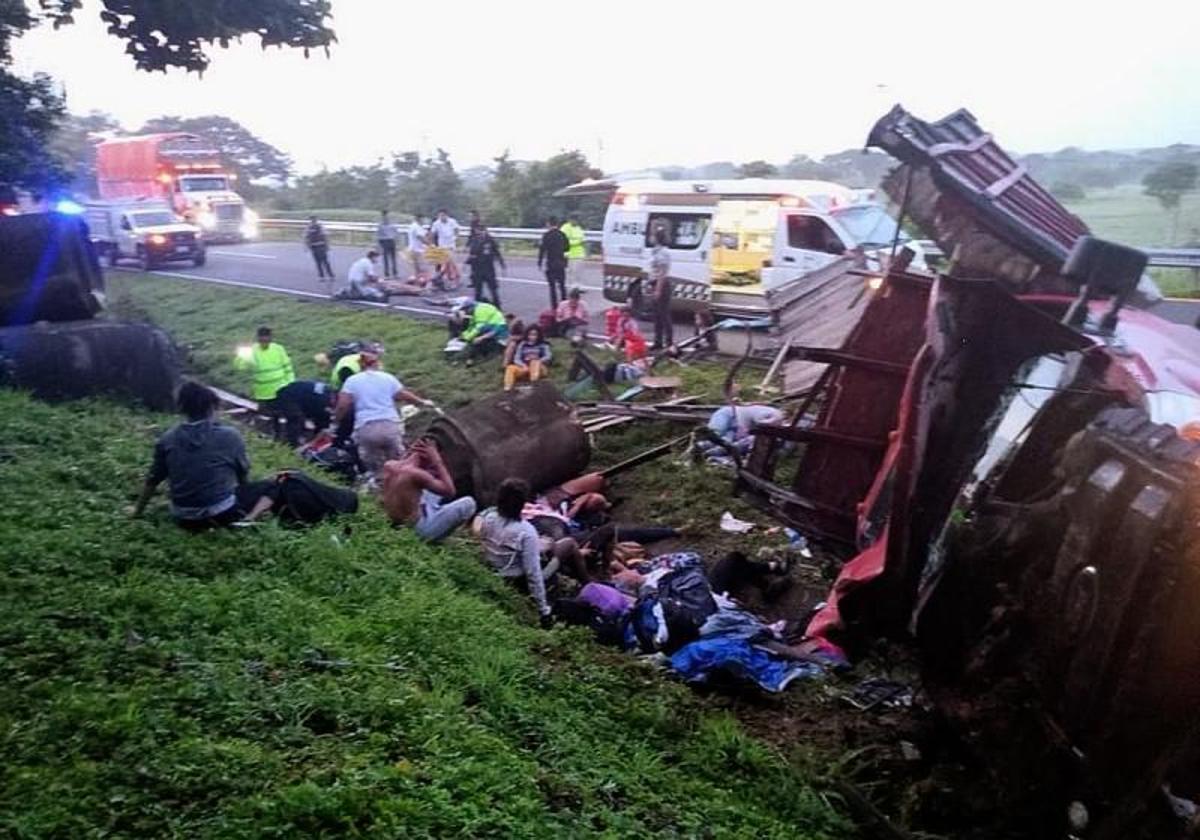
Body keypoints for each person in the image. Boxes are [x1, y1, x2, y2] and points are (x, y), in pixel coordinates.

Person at [130, 382, 272, 529]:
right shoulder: (230, 435)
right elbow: (242, 473)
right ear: (211, 408)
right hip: (222, 513)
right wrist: (244, 490)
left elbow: (153, 479)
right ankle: (248, 519)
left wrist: (137, 511)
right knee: (272, 485)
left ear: (183, 408)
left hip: (183, 517)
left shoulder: (168, 438)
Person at [473, 478, 558, 626]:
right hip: (514, 578)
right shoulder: (526, 531)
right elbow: (532, 573)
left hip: (492, 568)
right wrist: (543, 610)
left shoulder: (489, 518)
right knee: (563, 549)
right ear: (522, 503)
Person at [334, 350, 433, 477]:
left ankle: (381, 486)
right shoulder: (388, 377)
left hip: (366, 429)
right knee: (401, 464)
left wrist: (335, 422)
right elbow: (403, 395)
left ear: (361, 365)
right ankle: (404, 485)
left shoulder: (352, 381)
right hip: (389, 426)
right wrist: (422, 402)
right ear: (377, 363)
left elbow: (342, 405)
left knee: (376, 469)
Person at [380, 438, 477, 542]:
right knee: (469, 503)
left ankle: (435, 512)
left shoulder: (389, 465)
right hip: (416, 530)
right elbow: (450, 491)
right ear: (428, 456)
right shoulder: (416, 474)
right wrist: (437, 461)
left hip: (395, 521)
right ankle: (438, 538)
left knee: (431, 489)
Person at [233, 326, 295, 439]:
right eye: (262, 340)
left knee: (282, 415)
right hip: (263, 392)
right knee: (266, 415)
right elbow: (240, 367)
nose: (265, 343)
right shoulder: (251, 351)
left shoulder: (278, 349)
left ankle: (281, 437)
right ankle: (266, 436)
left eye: (267, 340)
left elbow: (288, 367)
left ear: (271, 338)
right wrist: (241, 356)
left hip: (281, 389)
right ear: (258, 339)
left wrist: (290, 383)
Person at [271, 379, 336, 446]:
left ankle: (299, 436)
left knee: (303, 419)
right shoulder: (323, 401)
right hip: (288, 396)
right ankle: (290, 444)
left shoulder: (327, 391)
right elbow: (320, 420)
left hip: (294, 393)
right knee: (296, 420)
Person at [467, 224, 506, 306]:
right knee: (478, 290)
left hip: (488, 268)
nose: (479, 234)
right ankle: (477, 308)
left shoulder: (490, 240)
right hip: (477, 269)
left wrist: (502, 265)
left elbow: (497, 253)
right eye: (477, 232)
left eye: (480, 232)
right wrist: (467, 263)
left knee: (493, 289)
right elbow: (471, 254)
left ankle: (497, 306)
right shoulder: (474, 240)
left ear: (484, 231)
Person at [504, 325, 552, 391]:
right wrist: (523, 365)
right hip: (525, 367)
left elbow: (548, 356)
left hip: (539, 367)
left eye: (534, 335)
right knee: (510, 368)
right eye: (530, 335)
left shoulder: (543, 345)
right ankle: (508, 386)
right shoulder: (522, 345)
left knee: (534, 362)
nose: (532, 337)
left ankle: (533, 383)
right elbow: (517, 358)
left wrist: (539, 360)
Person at [648, 227, 673, 350]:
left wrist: (658, 289)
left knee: (664, 314)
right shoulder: (655, 251)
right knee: (657, 315)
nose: (651, 238)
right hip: (654, 283)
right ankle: (658, 341)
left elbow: (662, 272)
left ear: (657, 238)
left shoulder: (663, 252)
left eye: (653, 236)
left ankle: (669, 342)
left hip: (661, 284)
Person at [538, 217, 569, 309]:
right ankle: (564, 304)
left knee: (552, 287)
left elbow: (542, 250)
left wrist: (539, 262)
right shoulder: (562, 235)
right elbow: (567, 248)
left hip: (551, 263)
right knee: (562, 285)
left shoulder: (546, 235)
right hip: (560, 263)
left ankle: (554, 307)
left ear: (549, 224)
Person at [429, 208, 461, 285]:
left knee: (451, 262)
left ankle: (456, 276)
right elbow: (432, 234)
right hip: (441, 246)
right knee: (445, 263)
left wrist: (455, 237)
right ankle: (448, 277)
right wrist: (432, 244)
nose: (441, 217)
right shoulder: (436, 223)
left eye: (443, 215)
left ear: (446, 215)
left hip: (450, 245)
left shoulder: (452, 221)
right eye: (440, 215)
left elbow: (457, 229)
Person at [304, 216, 334, 281]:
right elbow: (325, 236)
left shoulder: (309, 227)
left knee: (320, 262)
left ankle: (323, 276)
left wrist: (306, 246)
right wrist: (327, 246)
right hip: (319, 246)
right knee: (323, 262)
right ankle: (328, 276)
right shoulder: (319, 227)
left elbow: (306, 238)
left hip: (317, 246)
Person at [561, 215, 586, 287]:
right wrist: (577, 242)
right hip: (570, 253)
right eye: (574, 220)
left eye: (577, 220)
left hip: (579, 253)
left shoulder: (578, 228)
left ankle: (579, 285)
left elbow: (583, 238)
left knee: (579, 270)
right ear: (570, 220)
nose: (575, 222)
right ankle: (572, 285)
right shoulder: (565, 228)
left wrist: (580, 242)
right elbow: (565, 240)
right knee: (572, 271)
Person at [377, 210, 400, 278]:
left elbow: (396, 233)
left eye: (387, 215)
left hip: (392, 241)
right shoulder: (380, 225)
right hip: (385, 242)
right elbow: (379, 235)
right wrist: (379, 245)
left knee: (393, 258)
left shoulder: (392, 224)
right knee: (386, 259)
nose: (386, 217)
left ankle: (395, 273)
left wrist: (397, 241)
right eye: (385, 216)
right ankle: (387, 274)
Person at [407, 214, 429, 283]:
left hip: (412, 249)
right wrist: (429, 244)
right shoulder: (417, 227)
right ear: (419, 219)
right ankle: (422, 282)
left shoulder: (413, 226)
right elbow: (421, 237)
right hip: (418, 250)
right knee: (422, 268)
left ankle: (415, 281)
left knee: (416, 268)